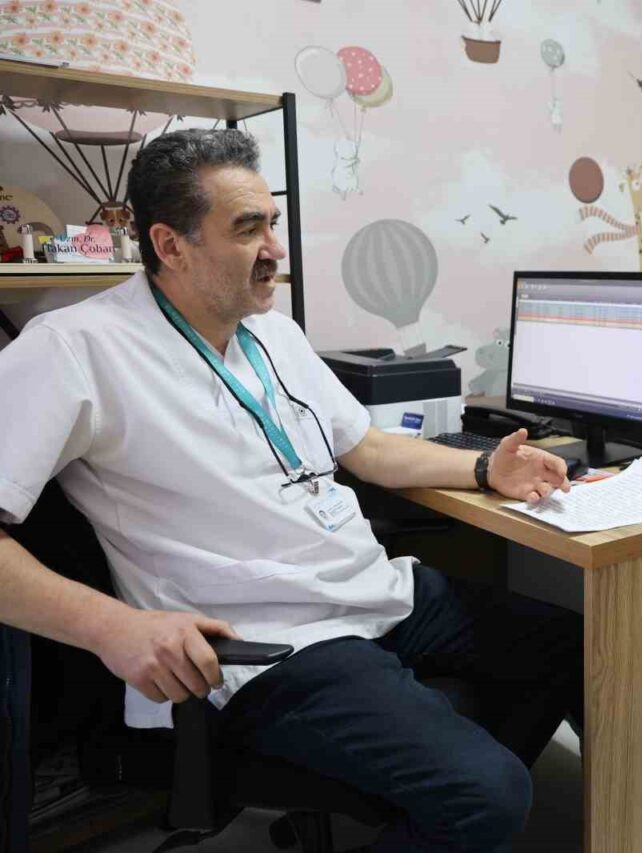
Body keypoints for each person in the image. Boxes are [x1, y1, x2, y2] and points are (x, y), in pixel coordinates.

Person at [0, 129, 582, 853]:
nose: (275, 247)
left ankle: (430, 807)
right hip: (268, 640)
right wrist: (112, 628)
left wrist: (483, 468)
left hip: (373, 591)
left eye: (272, 222)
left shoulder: (272, 332)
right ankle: (457, 803)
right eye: (248, 228)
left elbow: (366, 448)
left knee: (574, 646)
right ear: (171, 245)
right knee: (485, 795)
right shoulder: (74, 347)